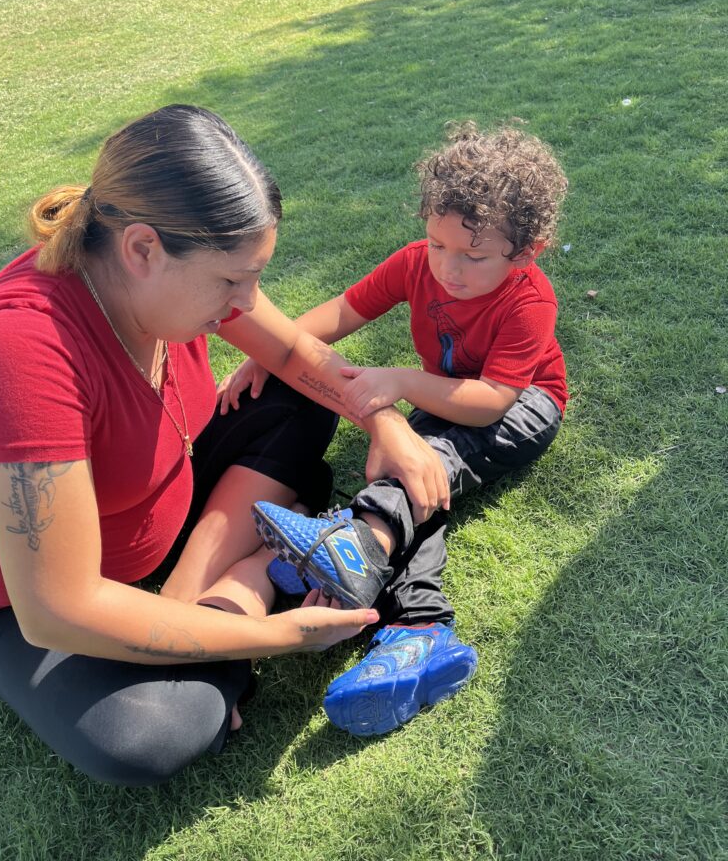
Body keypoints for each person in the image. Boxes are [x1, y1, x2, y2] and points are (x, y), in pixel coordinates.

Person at [0, 105, 447, 785]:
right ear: (142, 250)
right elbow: (56, 607)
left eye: (254, 277)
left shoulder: (168, 279)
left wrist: (385, 422)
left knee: (304, 393)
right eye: (230, 281)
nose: (247, 302)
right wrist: (270, 634)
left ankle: (198, 594)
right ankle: (257, 573)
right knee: (146, 735)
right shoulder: (18, 347)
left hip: (161, 500)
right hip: (14, 606)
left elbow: (295, 353)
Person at [223, 121, 569, 737]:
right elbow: (343, 311)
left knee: (420, 464)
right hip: (446, 399)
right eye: (437, 244)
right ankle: (417, 631)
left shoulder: (530, 300)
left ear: (528, 251)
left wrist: (405, 381)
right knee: (415, 474)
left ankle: (356, 544)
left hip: (523, 406)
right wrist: (268, 350)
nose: (449, 268)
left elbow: (491, 401)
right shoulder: (416, 265)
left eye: (474, 256)